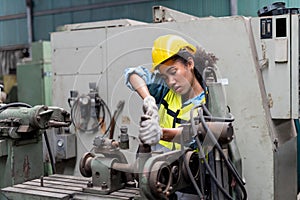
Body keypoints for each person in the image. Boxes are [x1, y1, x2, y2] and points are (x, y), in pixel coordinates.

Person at [124, 34, 217, 151]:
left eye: (173, 72)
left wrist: (160, 133)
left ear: (189, 64)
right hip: (158, 165)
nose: (171, 82)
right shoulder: (165, 90)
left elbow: (197, 134)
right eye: (165, 77)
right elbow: (133, 74)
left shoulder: (209, 103)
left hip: (190, 167)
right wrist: (148, 99)